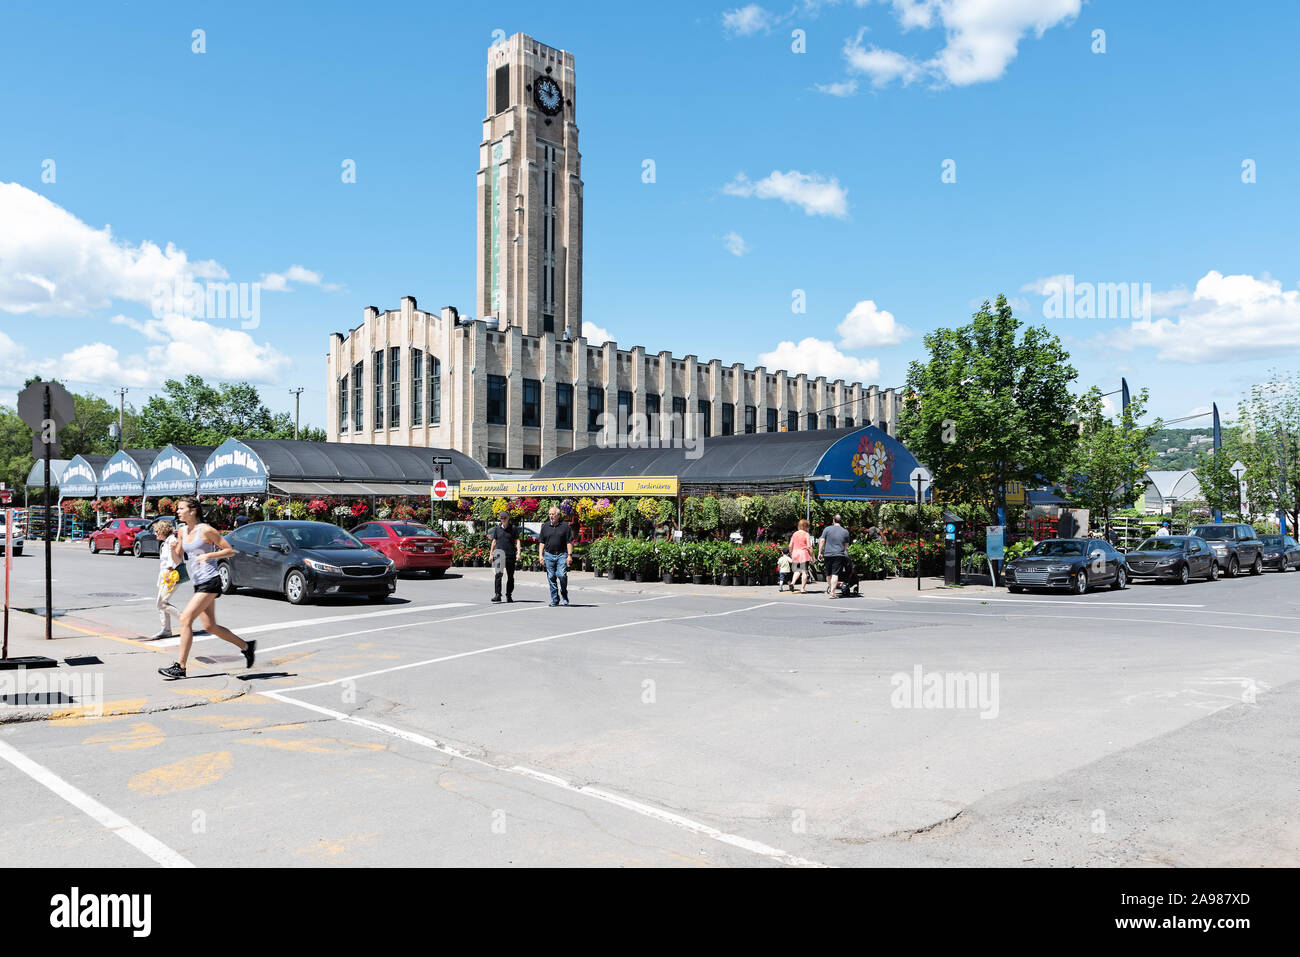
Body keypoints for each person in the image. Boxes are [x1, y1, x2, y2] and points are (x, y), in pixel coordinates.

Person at [157, 497, 255, 680]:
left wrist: (210, 555)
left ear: (193, 511)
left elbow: (229, 550)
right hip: (199, 582)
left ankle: (180, 666)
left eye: (181, 508)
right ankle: (247, 647)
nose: (177, 511)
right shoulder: (182, 531)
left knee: (185, 619)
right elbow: (179, 560)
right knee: (210, 626)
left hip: (211, 580)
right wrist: (172, 549)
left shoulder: (207, 530)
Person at [148, 520, 184, 639]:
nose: (155, 534)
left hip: (171, 575)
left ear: (163, 531)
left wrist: (169, 570)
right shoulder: (166, 542)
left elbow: (174, 559)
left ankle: (184, 619)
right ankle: (166, 629)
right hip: (165, 576)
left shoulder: (172, 541)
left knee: (161, 603)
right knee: (161, 603)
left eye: (157, 531)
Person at [538, 506, 573, 606]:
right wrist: (540, 555)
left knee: (562, 575)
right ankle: (555, 599)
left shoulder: (565, 527)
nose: (551, 516)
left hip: (561, 554)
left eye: (553, 514)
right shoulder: (545, 526)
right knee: (551, 576)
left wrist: (569, 556)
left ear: (558, 515)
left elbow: (569, 542)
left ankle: (564, 595)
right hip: (548, 555)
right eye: (550, 514)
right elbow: (541, 542)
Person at [817, 513, 853, 599]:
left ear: (833, 520)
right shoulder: (845, 531)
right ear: (841, 521)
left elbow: (822, 541)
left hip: (828, 554)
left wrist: (819, 552)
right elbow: (846, 545)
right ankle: (832, 592)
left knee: (828, 574)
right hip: (839, 554)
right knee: (835, 573)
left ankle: (830, 588)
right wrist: (842, 550)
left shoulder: (827, 529)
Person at [488, 511, 520, 603]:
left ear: (508, 518)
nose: (503, 519)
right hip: (499, 554)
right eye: (501, 518)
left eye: (505, 518)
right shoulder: (497, 529)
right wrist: (491, 554)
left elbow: (517, 541)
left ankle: (509, 595)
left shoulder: (513, 528)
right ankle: (497, 595)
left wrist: (518, 553)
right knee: (498, 575)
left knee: (510, 576)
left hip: (510, 554)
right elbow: (494, 542)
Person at [788, 519, 813, 595]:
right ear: (805, 526)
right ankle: (802, 588)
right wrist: (813, 556)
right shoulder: (806, 534)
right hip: (803, 554)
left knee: (797, 570)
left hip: (795, 554)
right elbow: (809, 547)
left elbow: (790, 545)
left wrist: (791, 552)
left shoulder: (794, 534)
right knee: (804, 572)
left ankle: (792, 583)